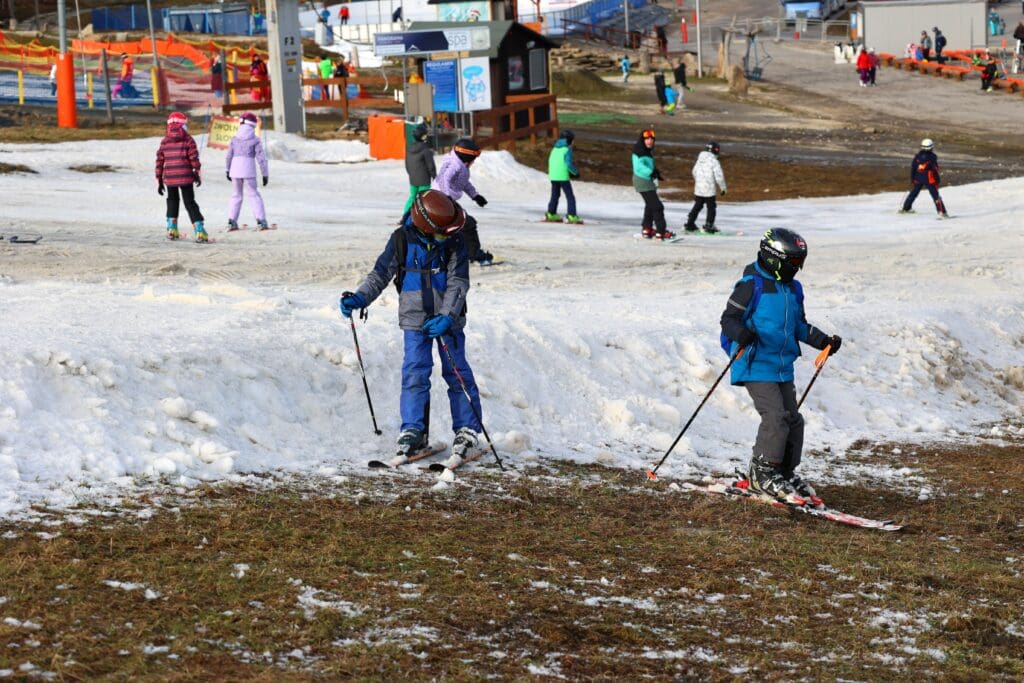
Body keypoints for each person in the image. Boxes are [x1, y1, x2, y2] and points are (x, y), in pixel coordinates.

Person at [338, 190, 484, 463]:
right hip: (414, 319)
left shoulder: (454, 242)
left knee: (457, 372)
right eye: (442, 233)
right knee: (415, 372)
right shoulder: (401, 240)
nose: (448, 237)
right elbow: (380, 274)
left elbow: (458, 282)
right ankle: (413, 430)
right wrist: (360, 298)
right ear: (425, 228)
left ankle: (467, 429)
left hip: (447, 321)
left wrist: (447, 316)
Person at [719, 228, 842, 506]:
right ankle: (762, 471)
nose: (797, 269)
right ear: (775, 259)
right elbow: (728, 319)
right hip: (753, 362)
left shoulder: (793, 289)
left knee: (793, 419)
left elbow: (798, 325)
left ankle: (782, 472)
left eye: (800, 263)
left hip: (781, 365)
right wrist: (740, 333)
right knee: (775, 416)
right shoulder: (751, 285)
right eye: (793, 263)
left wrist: (824, 341)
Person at [432, 138, 493, 264]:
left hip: (440, 199)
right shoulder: (455, 165)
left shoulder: (458, 163)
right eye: (473, 160)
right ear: (467, 157)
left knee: (459, 225)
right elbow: (444, 179)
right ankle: (474, 254)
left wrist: (475, 196)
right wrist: (447, 198)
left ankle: (453, 250)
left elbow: (463, 183)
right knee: (468, 223)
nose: (473, 163)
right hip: (442, 200)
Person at [155, 112, 206, 242]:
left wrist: (159, 179)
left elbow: (160, 161)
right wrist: (197, 172)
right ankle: (199, 231)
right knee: (190, 202)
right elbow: (193, 158)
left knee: (172, 200)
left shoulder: (165, 141)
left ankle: (172, 229)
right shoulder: (188, 139)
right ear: (183, 125)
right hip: (186, 176)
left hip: (170, 177)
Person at [225, 112, 270, 231]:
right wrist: (265, 174)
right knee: (254, 195)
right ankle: (261, 220)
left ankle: (231, 220)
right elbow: (261, 158)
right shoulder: (255, 140)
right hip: (248, 170)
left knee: (236, 195)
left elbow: (228, 156)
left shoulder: (234, 139)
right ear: (253, 125)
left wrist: (227, 169)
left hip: (235, 171)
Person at [631, 128, 672, 240]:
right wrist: (651, 172)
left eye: (651, 139)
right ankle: (661, 232)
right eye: (647, 139)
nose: (649, 141)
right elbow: (639, 167)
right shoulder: (638, 151)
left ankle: (647, 229)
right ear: (642, 140)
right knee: (658, 207)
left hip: (647, 180)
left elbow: (648, 166)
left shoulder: (646, 151)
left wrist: (655, 172)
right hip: (642, 181)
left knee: (650, 206)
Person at [684, 141, 727, 233]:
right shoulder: (714, 161)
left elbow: (694, 172)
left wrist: (699, 181)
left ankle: (689, 223)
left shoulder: (699, 160)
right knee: (711, 207)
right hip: (709, 189)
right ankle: (709, 225)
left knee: (698, 205)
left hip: (699, 188)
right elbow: (719, 176)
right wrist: (723, 188)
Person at [899, 138, 948, 218]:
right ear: (931, 147)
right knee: (935, 196)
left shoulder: (917, 157)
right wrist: (937, 179)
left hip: (918, 177)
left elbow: (913, 168)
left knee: (913, 193)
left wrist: (912, 179)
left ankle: (906, 208)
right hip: (929, 179)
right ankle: (942, 212)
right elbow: (935, 169)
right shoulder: (932, 157)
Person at [545, 129, 582, 223]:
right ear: (569, 140)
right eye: (573, 140)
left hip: (553, 175)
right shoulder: (567, 149)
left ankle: (551, 213)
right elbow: (568, 164)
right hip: (562, 176)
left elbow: (551, 161)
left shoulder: (554, 149)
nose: (573, 142)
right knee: (570, 196)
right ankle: (572, 215)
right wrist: (575, 173)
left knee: (555, 195)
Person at [403, 123, 436, 219]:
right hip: (424, 179)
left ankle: (405, 217)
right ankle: (421, 219)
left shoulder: (409, 149)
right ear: (423, 136)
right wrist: (434, 176)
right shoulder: (425, 149)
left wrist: (411, 174)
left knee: (412, 197)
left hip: (413, 179)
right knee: (423, 200)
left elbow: (407, 164)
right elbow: (431, 166)